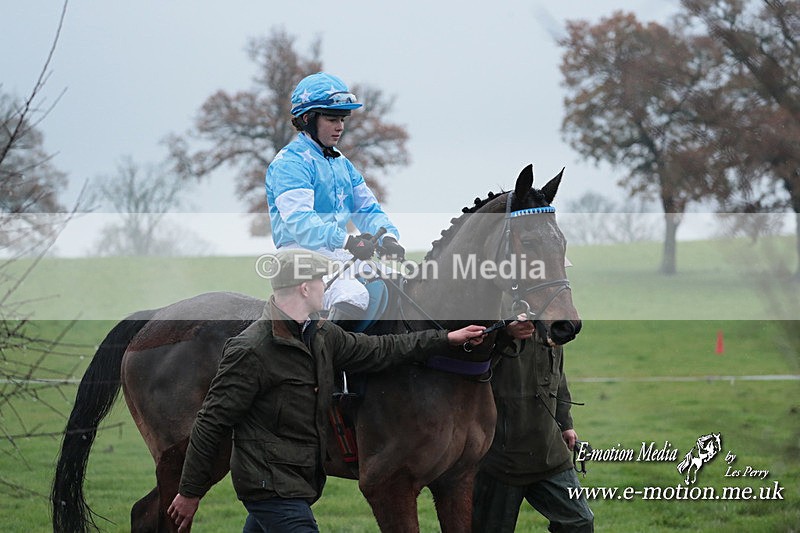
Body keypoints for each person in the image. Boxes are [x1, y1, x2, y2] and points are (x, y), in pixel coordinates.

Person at [168, 249, 486, 532]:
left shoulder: (321, 335)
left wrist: (446, 339)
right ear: (305, 288)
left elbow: (382, 349)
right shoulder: (250, 350)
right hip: (269, 485)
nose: (327, 286)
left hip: (298, 483)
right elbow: (211, 422)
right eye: (322, 280)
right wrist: (190, 492)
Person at [265, 71, 405, 324]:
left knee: (400, 283)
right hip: (299, 256)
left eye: (342, 119)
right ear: (308, 119)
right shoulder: (290, 163)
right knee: (353, 296)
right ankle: (324, 361)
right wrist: (348, 241)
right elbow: (301, 225)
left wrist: (388, 238)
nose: (340, 126)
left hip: (335, 253)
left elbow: (367, 209)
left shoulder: (342, 163)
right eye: (332, 119)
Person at [472, 317, 594, 532]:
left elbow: (558, 374)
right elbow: (474, 363)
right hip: (499, 459)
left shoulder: (554, 323)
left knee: (579, 522)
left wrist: (565, 423)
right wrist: (506, 334)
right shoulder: (495, 310)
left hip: (549, 453)